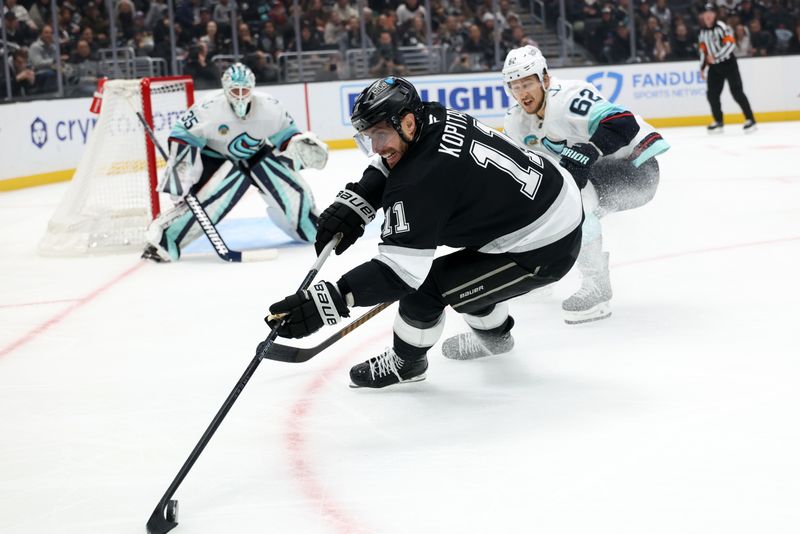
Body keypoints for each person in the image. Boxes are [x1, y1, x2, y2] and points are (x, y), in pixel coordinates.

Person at [267, 76, 584, 388]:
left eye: (380, 134)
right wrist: (360, 199)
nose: (376, 148)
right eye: (368, 136)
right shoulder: (431, 115)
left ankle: (408, 363)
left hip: (545, 243)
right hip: (545, 201)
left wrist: (330, 301)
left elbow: (401, 273)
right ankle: (497, 340)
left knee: (426, 289)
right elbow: (395, 162)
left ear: (406, 123)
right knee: (466, 279)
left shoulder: (421, 183)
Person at [502, 46, 669, 324]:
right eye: (515, 86)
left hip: (636, 168)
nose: (522, 93)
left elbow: (623, 123)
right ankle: (540, 275)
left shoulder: (569, 96)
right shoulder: (517, 122)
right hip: (596, 173)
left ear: (544, 78)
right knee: (539, 209)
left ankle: (598, 289)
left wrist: (588, 151)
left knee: (575, 209)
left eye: (528, 82)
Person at [142, 63, 328, 262]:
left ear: (252, 88)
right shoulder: (208, 108)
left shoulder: (270, 107)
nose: (240, 95)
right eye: (235, 90)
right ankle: (165, 239)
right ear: (225, 89)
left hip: (256, 154)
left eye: (244, 90)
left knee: (291, 188)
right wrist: (182, 170)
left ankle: (310, 227)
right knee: (210, 201)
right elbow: (183, 135)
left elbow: (286, 137)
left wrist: (296, 143)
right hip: (216, 158)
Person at [698, 3, 756, 133]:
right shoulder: (702, 32)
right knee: (712, 95)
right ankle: (718, 121)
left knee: (737, 92)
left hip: (728, 64)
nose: (708, 16)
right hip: (714, 67)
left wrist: (716, 56)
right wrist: (702, 67)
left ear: (714, 15)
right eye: (705, 14)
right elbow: (703, 50)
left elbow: (731, 45)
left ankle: (750, 119)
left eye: (710, 13)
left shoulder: (721, 27)